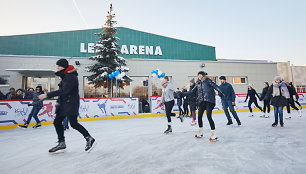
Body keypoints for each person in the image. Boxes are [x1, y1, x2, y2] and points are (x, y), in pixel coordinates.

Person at [39, 58, 96, 153]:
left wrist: (47, 95)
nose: (57, 68)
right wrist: (58, 100)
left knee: (73, 123)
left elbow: (65, 90)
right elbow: (63, 91)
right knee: (57, 122)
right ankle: (62, 143)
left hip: (71, 103)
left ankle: (89, 138)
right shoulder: (65, 76)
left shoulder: (70, 77)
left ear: (64, 67)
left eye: (59, 66)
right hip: (64, 102)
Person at [184, 71, 224, 141]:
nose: (199, 76)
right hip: (201, 102)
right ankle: (200, 132)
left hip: (209, 101)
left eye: (200, 75)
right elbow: (191, 92)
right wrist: (182, 94)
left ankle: (214, 134)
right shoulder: (198, 84)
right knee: (199, 116)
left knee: (209, 116)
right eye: (198, 75)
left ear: (203, 75)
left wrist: (222, 92)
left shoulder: (208, 81)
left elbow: (216, 86)